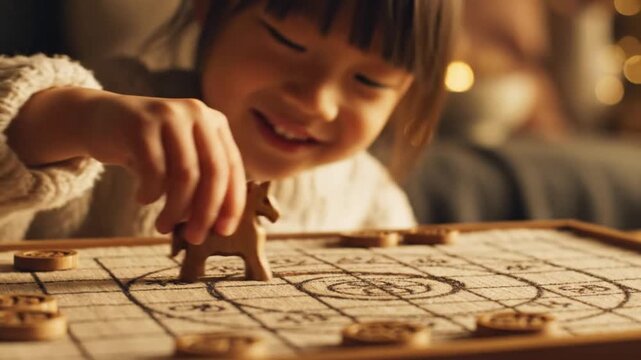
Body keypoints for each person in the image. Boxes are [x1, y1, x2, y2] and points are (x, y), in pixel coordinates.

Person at [0, 0, 459, 244]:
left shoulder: (373, 200)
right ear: (209, 6)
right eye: (288, 42)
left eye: (369, 81)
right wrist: (79, 120)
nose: (317, 102)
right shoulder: (113, 103)